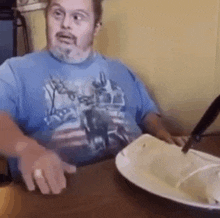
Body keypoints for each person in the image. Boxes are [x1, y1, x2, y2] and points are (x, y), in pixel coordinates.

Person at [0, 0, 187, 195]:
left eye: (77, 17)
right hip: (59, 190)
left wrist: (162, 134)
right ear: (46, 16)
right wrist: (26, 149)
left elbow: (146, 113)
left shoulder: (120, 69)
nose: (65, 24)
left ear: (96, 28)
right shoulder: (14, 71)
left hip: (139, 182)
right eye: (57, 13)